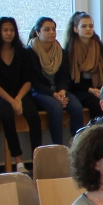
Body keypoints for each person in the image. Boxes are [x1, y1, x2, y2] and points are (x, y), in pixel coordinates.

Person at [0, 16, 44, 173]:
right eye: (5, 30)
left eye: (12, 30)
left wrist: (18, 99)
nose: (9, 33)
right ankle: (18, 161)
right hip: (0, 96)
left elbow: (28, 81)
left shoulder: (22, 53)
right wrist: (12, 102)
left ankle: (37, 159)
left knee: (33, 115)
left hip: (21, 94)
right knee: (6, 114)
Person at [29, 15, 87, 143]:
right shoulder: (30, 52)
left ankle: (77, 145)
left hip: (58, 90)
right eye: (46, 29)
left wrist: (62, 91)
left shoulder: (61, 51)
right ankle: (58, 146)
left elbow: (63, 76)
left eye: (53, 29)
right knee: (56, 108)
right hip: (40, 91)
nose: (51, 32)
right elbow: (34, 81)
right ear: (38, 33)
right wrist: (53, 94)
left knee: (77, 107)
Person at [63, 10, 103, 123]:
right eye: (84, 26)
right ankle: (94, 132)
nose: (88, 29)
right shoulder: (69, 50)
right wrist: (90, 90)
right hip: (78, 88)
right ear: (75, 29)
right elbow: (70, 80)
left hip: (97, 86)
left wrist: (100, 90)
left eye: (90, 26)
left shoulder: (100, 46)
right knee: (96, 104)